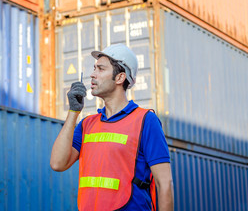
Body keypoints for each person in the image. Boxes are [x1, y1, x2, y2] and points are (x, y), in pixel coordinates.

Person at [50, 43, 174, 211]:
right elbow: (58, 163)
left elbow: (164, 183)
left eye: (100, 69)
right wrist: (73, 111)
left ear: (119, 78)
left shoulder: (145, 120)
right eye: (94, 69)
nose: (92, 75)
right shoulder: (87, 124)